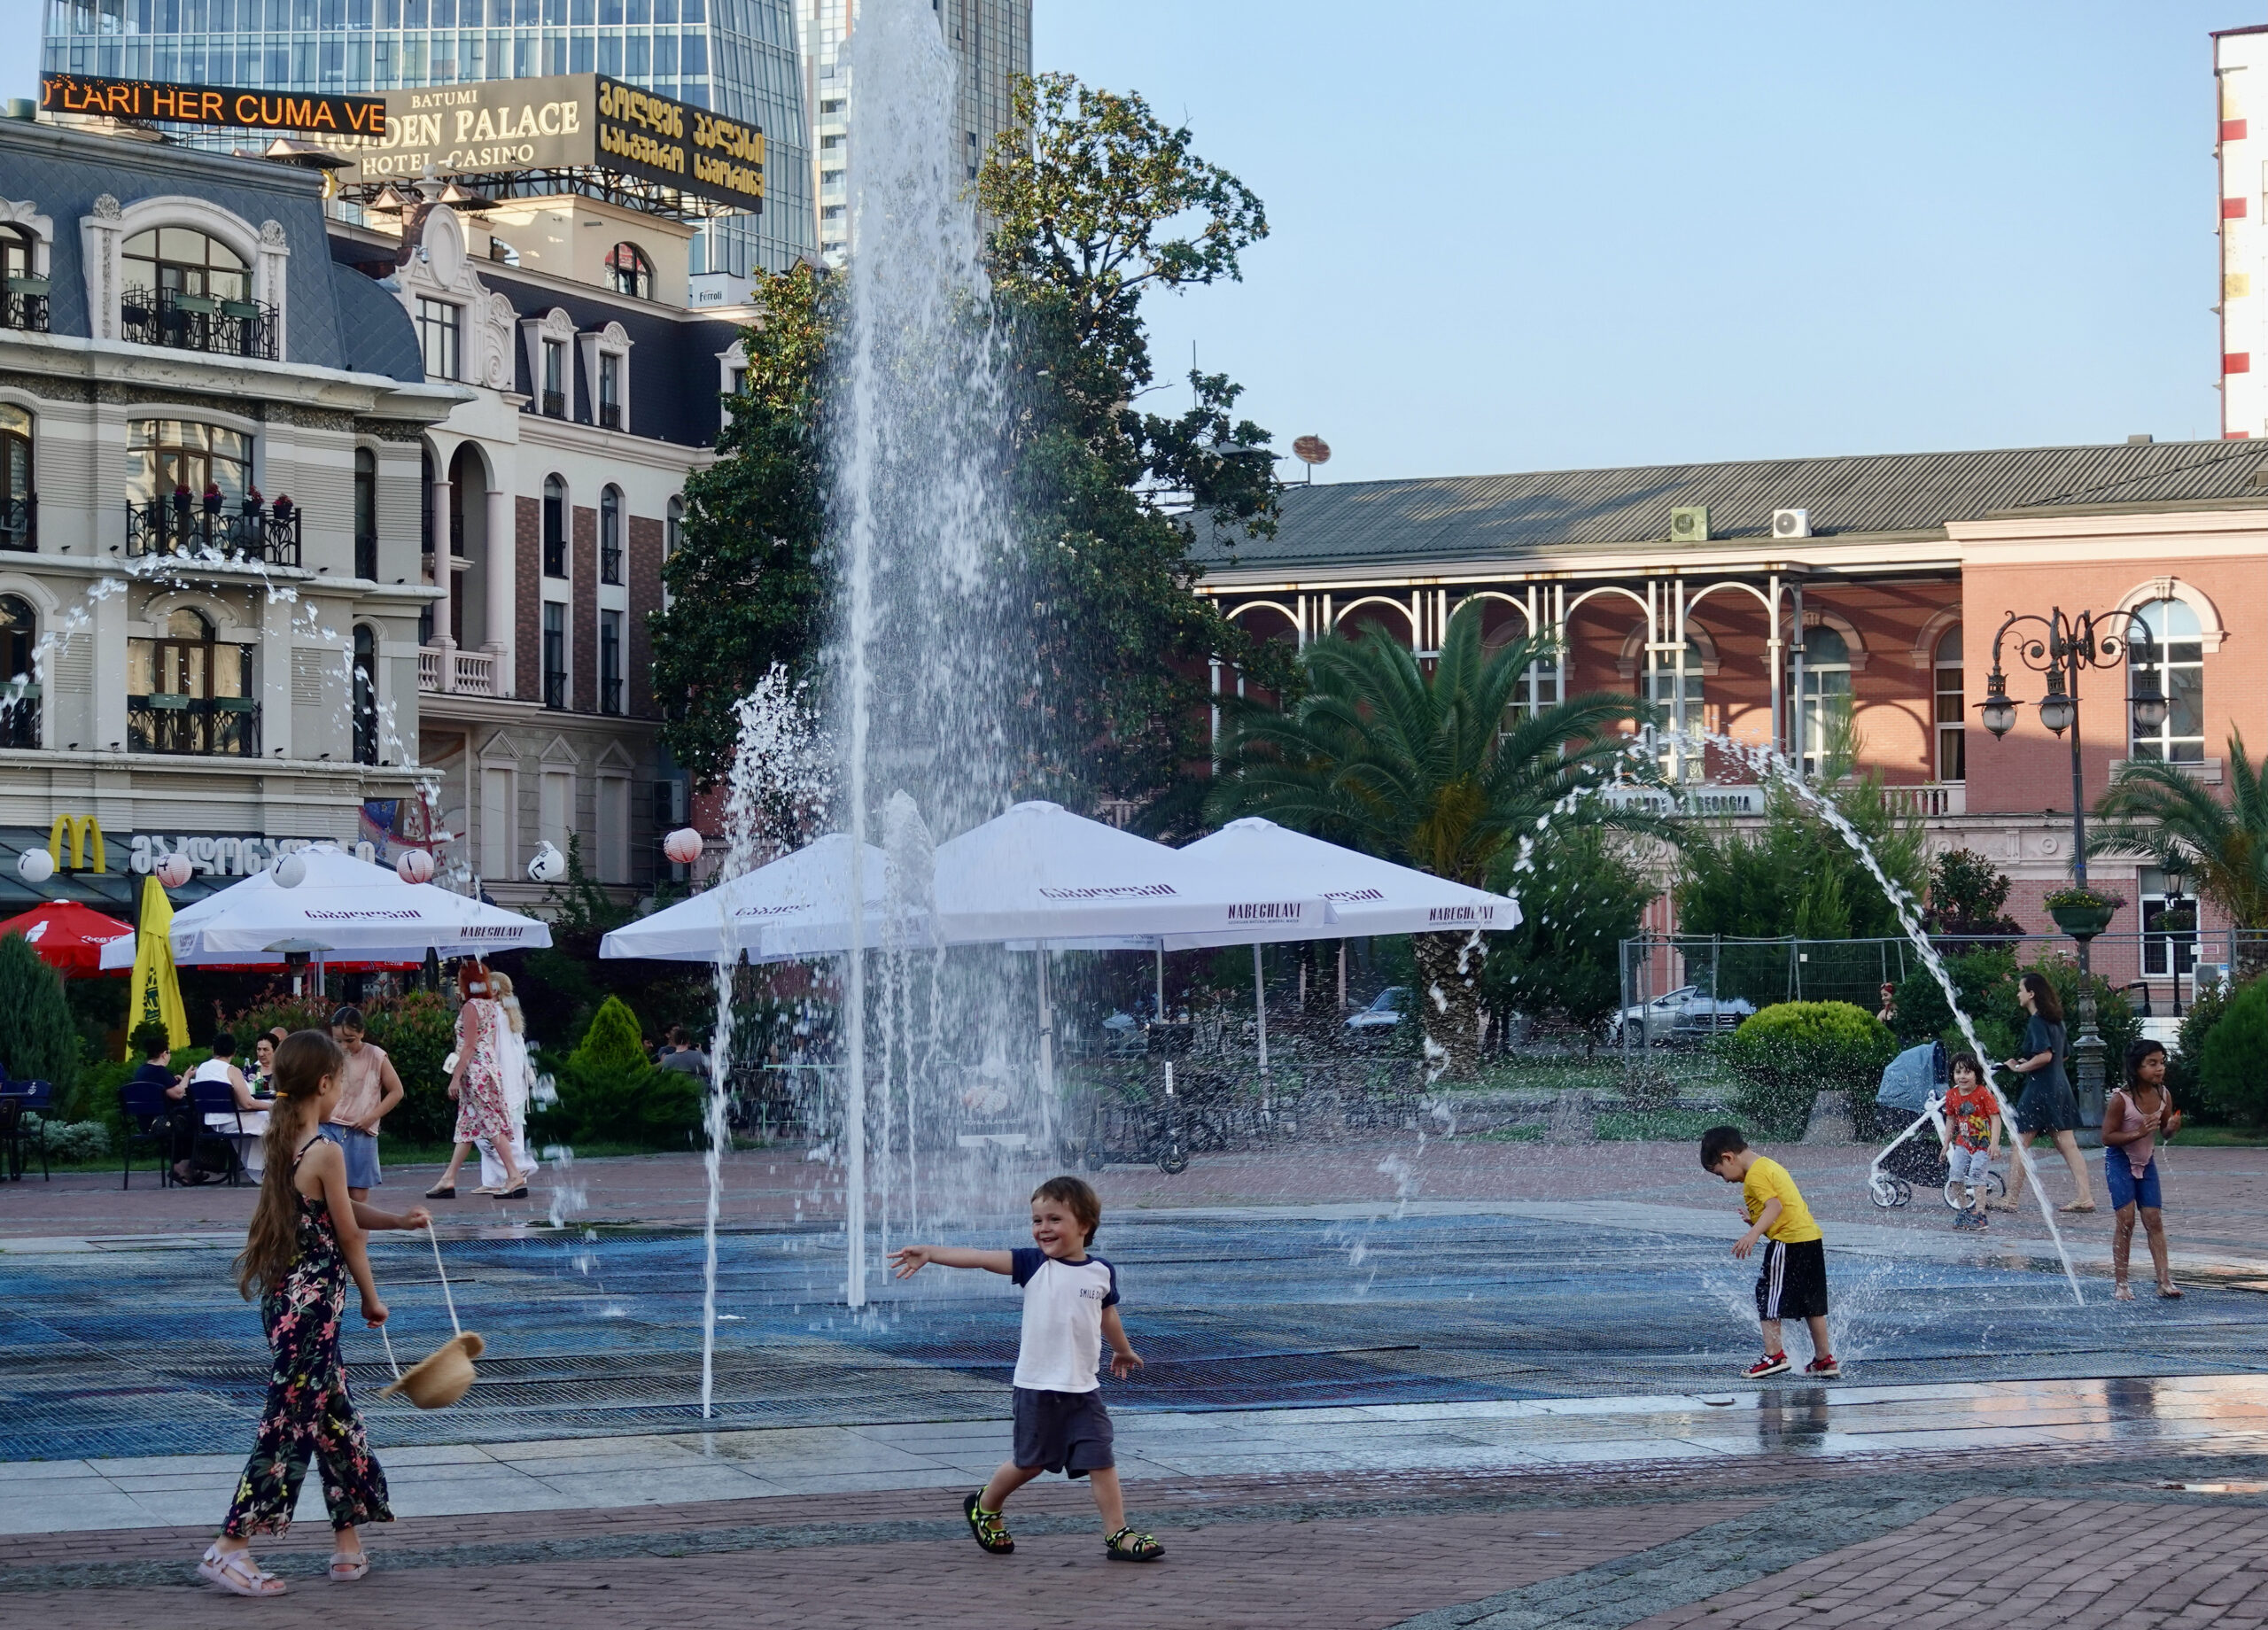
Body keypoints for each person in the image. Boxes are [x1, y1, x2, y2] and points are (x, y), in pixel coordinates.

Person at [195, 1030, 431, 1597]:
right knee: (289, 1423)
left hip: (288, 1300)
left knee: (333, 1419)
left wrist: (398, 1221)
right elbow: (347, 1234)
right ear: (325, 1084)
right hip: (313, 1306)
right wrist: (373, 1299)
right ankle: (230, 1547)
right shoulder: (324, 1149)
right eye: (341, 1086)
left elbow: (339, 1211)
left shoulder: (284, 1142)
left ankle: (348, 1543)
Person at [889, 1176, 1163, 1564]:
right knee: (1030, 1462)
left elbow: (1107, 1313)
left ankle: (1117, 1533)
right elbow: (981, 1258)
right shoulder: (1034, 1265)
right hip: (1037, 1385)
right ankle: (985, 1504)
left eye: (1053, 1219)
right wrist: (932, 1252)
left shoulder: (1100, 1271)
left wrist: (1123, 1350)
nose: (1042, 1229)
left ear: (1084, 1225)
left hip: (1084, 1387)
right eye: (1037, 1220)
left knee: (1101, 1458)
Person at [1701, 1125, 1840, 1381]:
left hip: (1787, 1243)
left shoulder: (1755, 1175)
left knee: (1767, 1293)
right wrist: (1755, 1223)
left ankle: (1774, 1355)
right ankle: (1824, 1360)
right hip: (1810, 1239)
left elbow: (1774, 1207)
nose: (1727, 1180)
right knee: (1813, 1305)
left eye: (1721, 1174)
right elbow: (1783, 1208)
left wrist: (1752, 1235)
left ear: (1728, 1157)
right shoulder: (1770, 1165)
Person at [1992, 972, 2098, 1215]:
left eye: (2020, 989)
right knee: (2069, 1146)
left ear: (2031, 994)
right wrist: (2030, 1061)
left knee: (2019, 1142)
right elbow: (2063, 1054)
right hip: (2061, 1085)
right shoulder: (2057, 1021)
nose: (2018, 994)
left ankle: (2011, 1199)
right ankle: (2085, 1196)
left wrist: (2019, 1067)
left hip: (2040, 1088)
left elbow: (2045, 1056)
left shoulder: (2037, 1021)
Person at [425, 961, 531, 1201]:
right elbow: (487, 1043)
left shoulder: (472, 1006)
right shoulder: (490, 1006)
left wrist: (456, 1076)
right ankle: (448, 1178)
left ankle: (514, 1176)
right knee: (468, 1124)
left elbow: (470, 1045)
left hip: (476, 1071)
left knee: (491, 1125)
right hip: (488, 1068)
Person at [2105, 1037, 2184, 1300]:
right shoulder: (2121, 1099)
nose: (2159, 1068)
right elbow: (2106, 1137)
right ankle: (2122, 1283)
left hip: (2146, 1162)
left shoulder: (2164, 1095)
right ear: (2136, 1067)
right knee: (2126, 1221)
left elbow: (2163, 1132)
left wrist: (2170, 1129)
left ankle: (2164, 1281)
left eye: (2161, 1062)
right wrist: (2138, 1132)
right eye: (2152, 1063)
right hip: (2120, 1161)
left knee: (2154, 1219)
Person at [324, 1006, 405, 1204]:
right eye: (338, 1041)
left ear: (362, 1033)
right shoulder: (328, 1054)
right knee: (327, 1192)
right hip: (328, 1127)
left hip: (361, 1131)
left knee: (358, 1197)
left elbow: (397, 1091)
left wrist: (371, 1117)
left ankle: (357, 1235)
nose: (343, 1046)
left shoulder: (375, 1055)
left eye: (350, 1040)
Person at [475, 973, 540, 1195]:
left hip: (499, 1081)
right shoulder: (510, 1013)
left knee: (488, 1131)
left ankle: (517, 1171)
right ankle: (495, 1178)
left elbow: (490, 1049)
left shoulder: (493, 1014)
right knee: (512, 1130)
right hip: (516, 1085)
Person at [192, 1033, 271, 1179]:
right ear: (234, 1052)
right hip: (232, 1120)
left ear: (213, 1050)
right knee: (272, 1119)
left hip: (211, 1121)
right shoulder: (231, 1070)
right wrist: (274, 1107)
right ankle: (260, 1171)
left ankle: (257, 1168)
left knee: (264, 1120)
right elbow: (247, 1103)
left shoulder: (202, 1068)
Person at [1939, 1051, 2001, 1231]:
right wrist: (1946, 1143)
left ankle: (1980, 1214)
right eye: (1958, 1072)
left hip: (1983, 1144)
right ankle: (1963, 1210)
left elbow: (1996, 1118)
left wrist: (1994, 1143)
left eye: (1967, 1072)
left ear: (1976, 1074)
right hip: (1963, 1143)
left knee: (1976, 1174)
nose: (1962, 1076)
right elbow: (1951, 1119)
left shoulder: (1982, 1093)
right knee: (1955, 1175)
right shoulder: (1951, 1095)